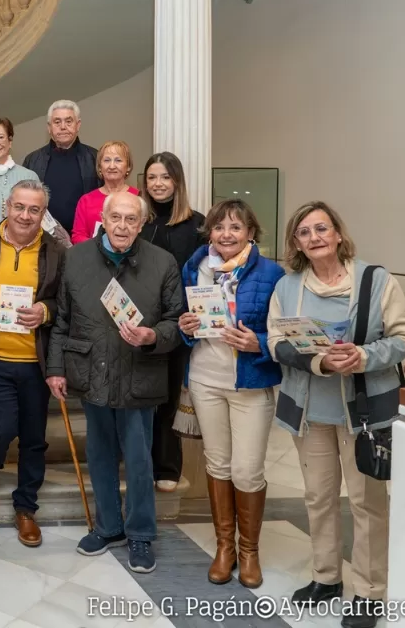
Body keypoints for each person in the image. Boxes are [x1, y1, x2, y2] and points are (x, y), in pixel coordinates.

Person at [268, 202, 405, 627]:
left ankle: (370, 592)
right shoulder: (288, 287)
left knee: (368, 503)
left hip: (365, 412)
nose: (314, 237)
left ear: (336, 234)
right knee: (318, 498)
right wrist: (318, 362)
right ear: (296, 243)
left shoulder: (375, 280)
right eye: (304, 232)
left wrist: (363, 356)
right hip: (310, 409)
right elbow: (277, 342)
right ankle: (326, 577)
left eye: (321, 228)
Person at [45, 191, 182, 574]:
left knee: (139, 461)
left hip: (140, 374)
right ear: (103, 218)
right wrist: (55, 369)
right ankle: (108, 527)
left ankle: (140, 533)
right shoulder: (75, 257)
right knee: (100, 456)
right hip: (93, 372)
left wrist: (153, 336)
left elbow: (176, 321)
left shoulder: (163, 262)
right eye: (116, 218)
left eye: (131, 220)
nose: (122, 226)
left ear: (141, 224)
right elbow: (63, 320)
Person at [176, 199, 284, 588]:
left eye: (235, 228)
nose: (226, 234)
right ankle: (226, 546)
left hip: (250, 382)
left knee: (247, 469)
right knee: (218, 464)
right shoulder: (196, 265)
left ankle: (250, 550)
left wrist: (260, 341)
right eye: (219, 227)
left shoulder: (272, 273)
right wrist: (185, 326)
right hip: (205, 379)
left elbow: (284, 331)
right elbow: (182, 317)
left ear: (251, 233)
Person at [0, 181, 66, 547]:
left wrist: (47, 310)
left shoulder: (55, 251)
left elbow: (63, 302)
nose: (25, 215)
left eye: (34, 210)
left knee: (35, 439)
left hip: (35, 362)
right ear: (7, 206)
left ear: (43, 214)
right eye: (19, 207)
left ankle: (26, 507)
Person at [138, 151, 205, 492]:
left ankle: (166, 465)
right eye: (152, 177)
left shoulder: (197, 224)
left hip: (180, 324)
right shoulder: (137, 221)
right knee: (140, 395)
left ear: (177, 181)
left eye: (165, 177)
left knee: (168, 396)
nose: (158, 184)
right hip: (139, 324)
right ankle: (136, 460)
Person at [22, 100, 101, 233]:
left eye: (68, 121)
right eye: (57, 122)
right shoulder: (33, 160)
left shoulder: (95, 158)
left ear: (78, 125)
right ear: (49, 127)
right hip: (43, 236)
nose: (63, 127)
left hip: (84, 236)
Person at [71, 140, 139, 243]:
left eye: (118, 160)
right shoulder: (86, 200)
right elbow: (77, 236)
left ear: (128, 166)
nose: (112, 166)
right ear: (99, 167)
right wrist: (100, 248)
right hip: (92, 256)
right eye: (107, 160)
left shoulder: (138, 197)